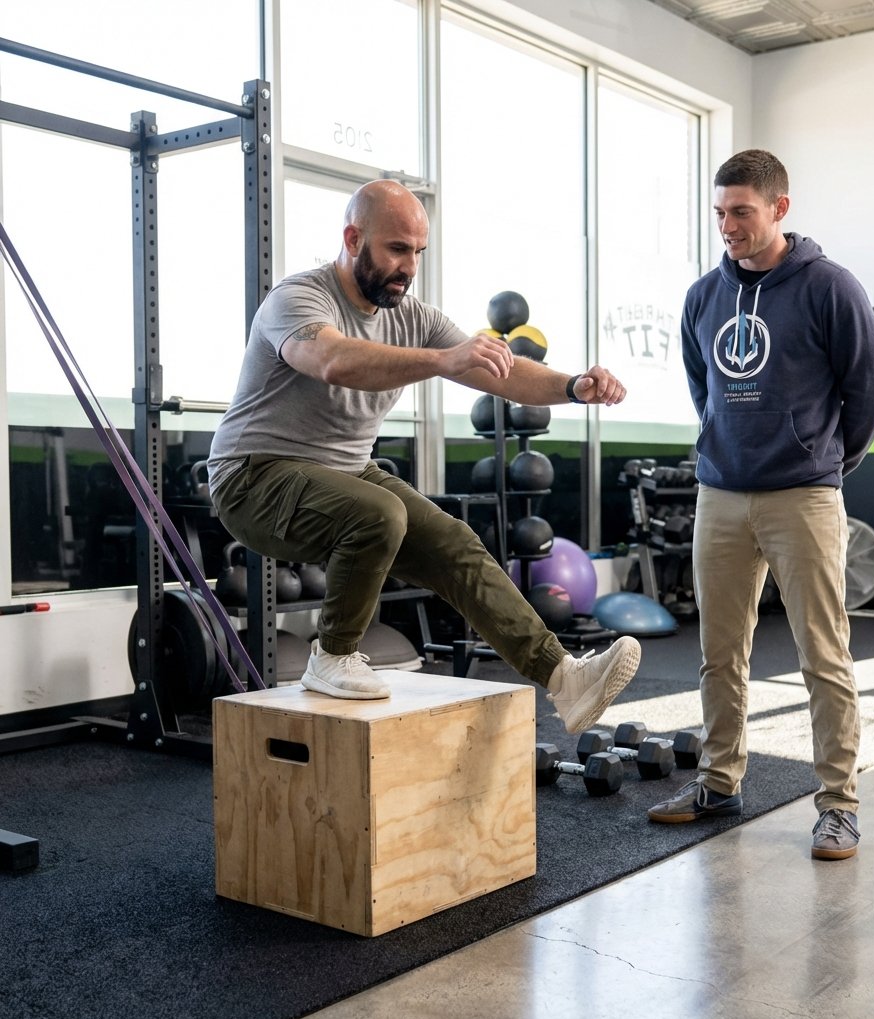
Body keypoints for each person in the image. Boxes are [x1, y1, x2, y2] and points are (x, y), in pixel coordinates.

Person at [207, 179, 640, 732]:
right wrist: (441, 360)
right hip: (253, 476)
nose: (409, 266)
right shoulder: (299, 298)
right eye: (396, 249)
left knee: (455, 542)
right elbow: (334, 360)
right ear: (353, 237)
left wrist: (574, 385)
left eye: (417, 252)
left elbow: (500, 370)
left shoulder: (415, 317)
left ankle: (563, 679)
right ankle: (332, 656)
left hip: (342, 472)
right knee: (378, 512)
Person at [647, 150, 874, 860]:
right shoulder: (703, 297)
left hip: (803, 495)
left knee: (823, 654)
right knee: (719, 653)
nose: (727, 225)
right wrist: (726, 448)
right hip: (720, 493)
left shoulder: (829, 288)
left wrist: (823, 463)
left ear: (780, 208)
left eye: (741, 212)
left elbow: (867, 392)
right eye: (720, 213)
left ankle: (839, 805)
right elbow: (704, 388)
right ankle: (718, 782)